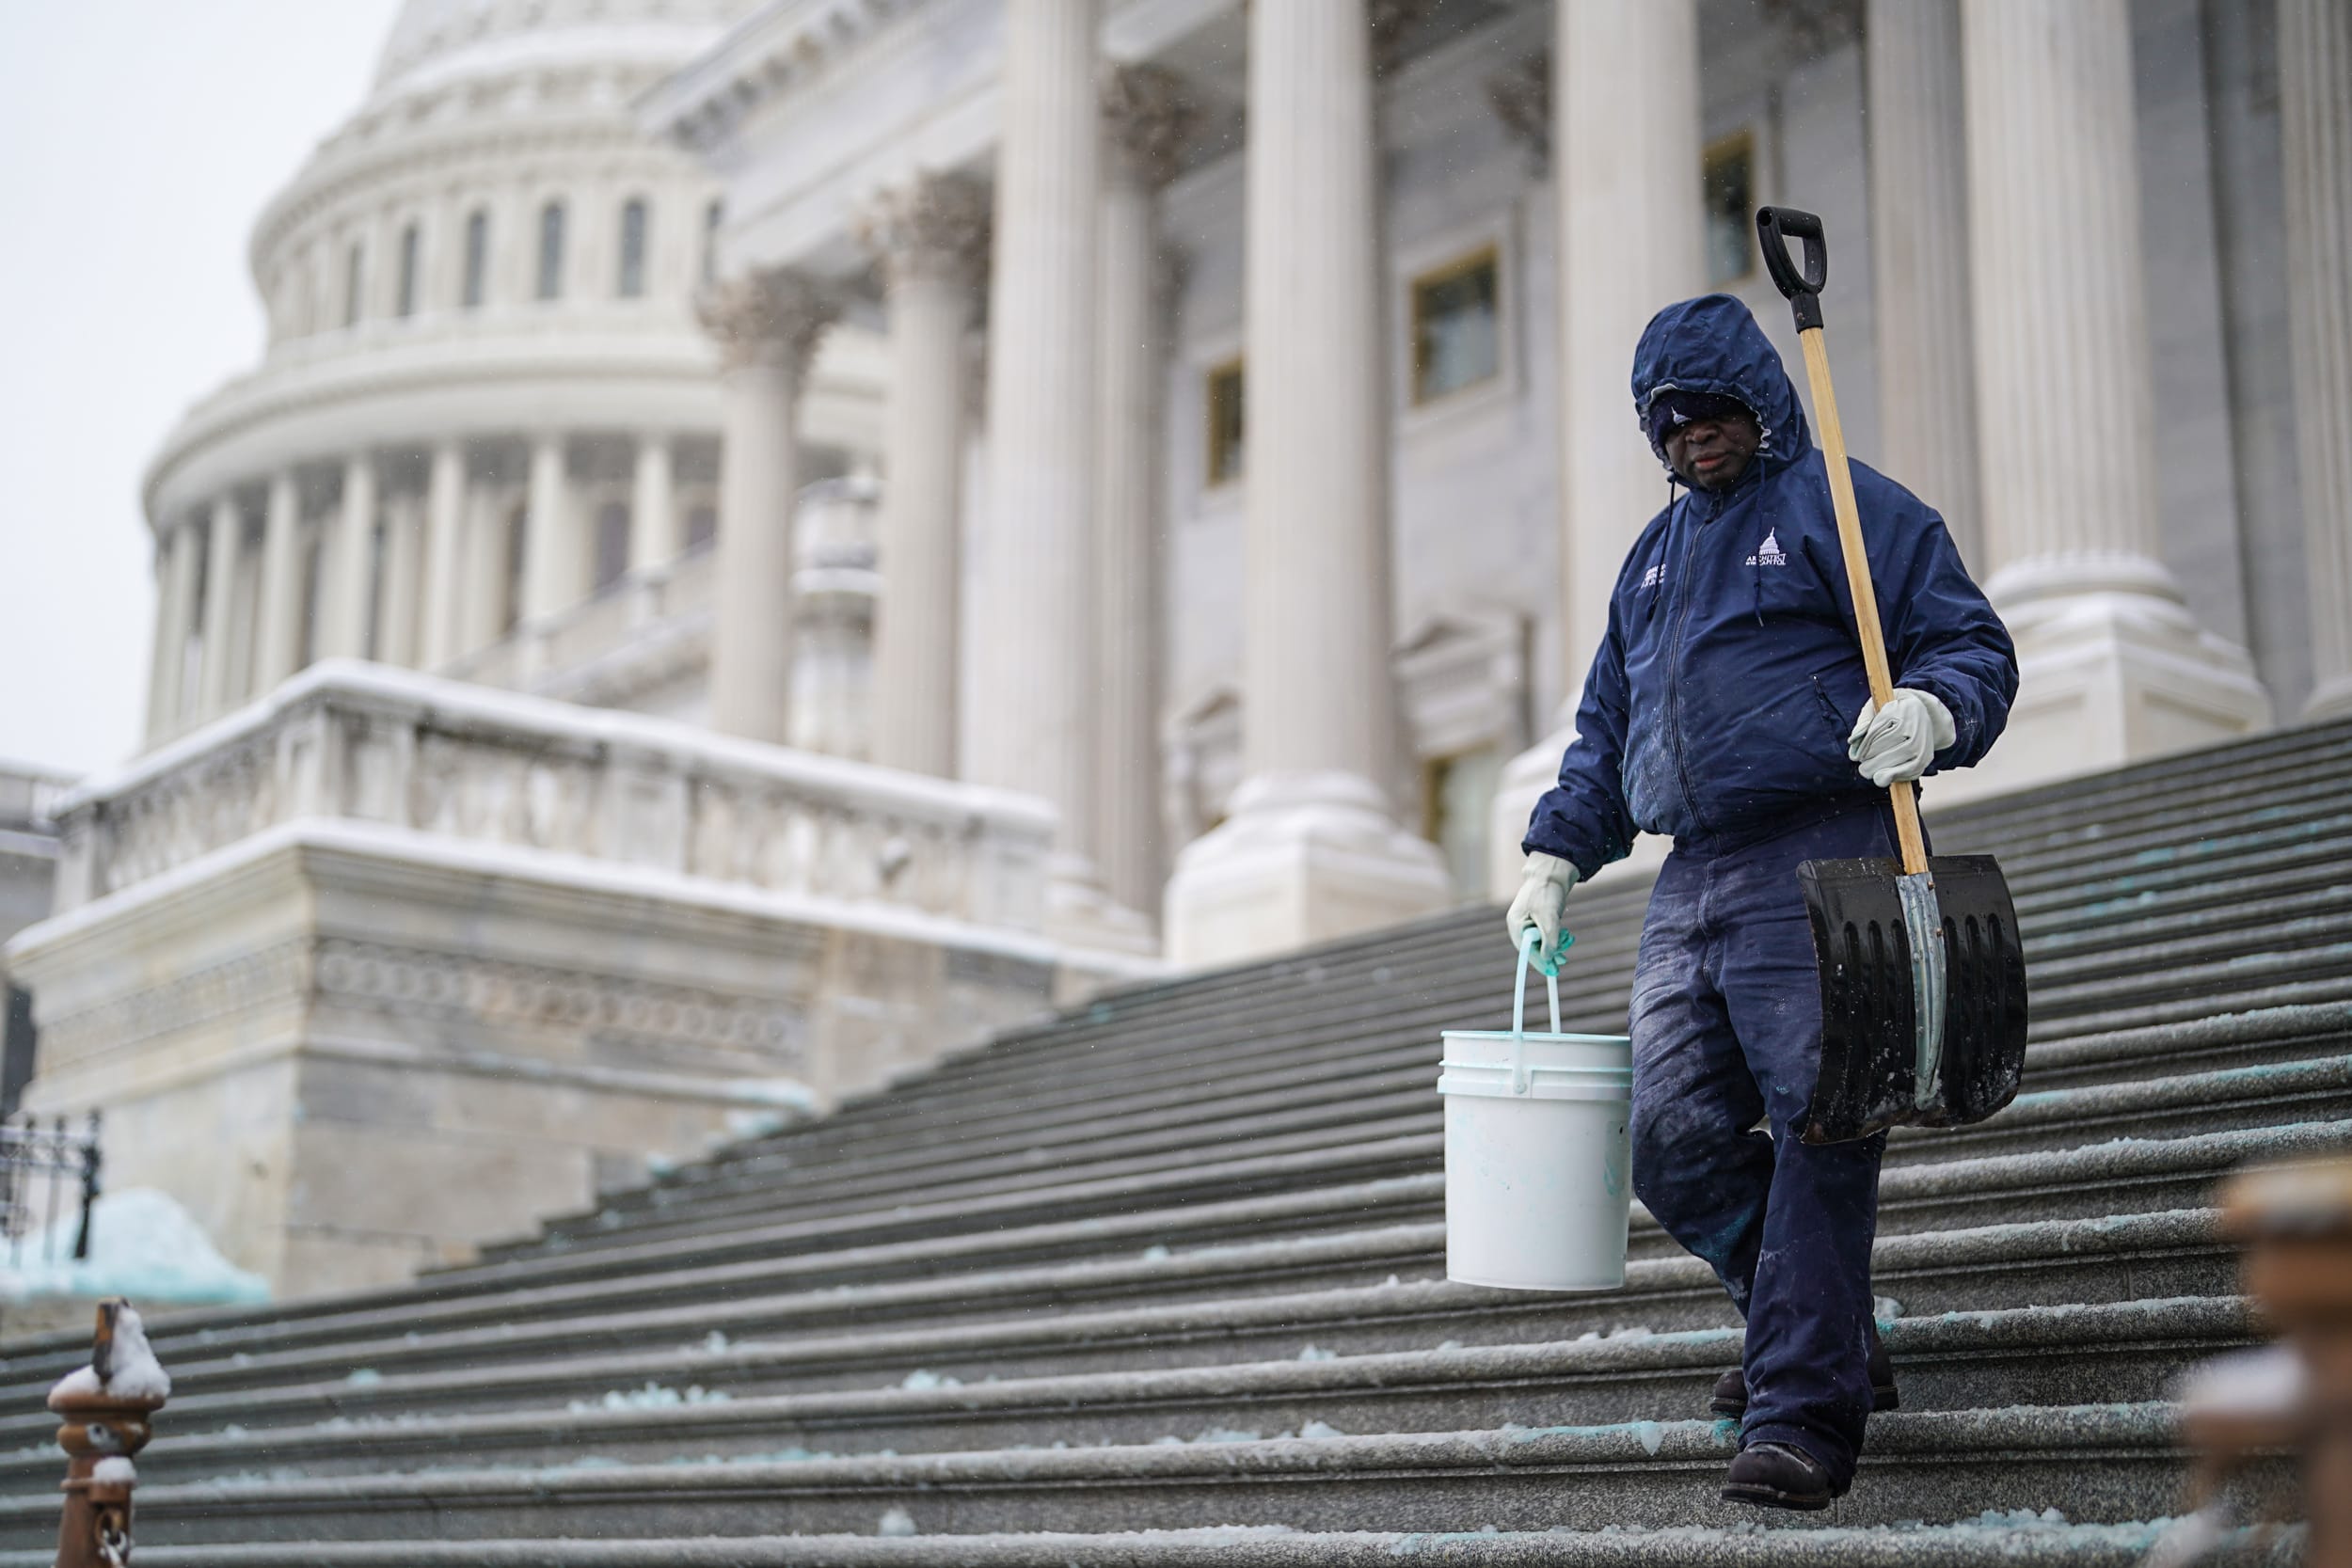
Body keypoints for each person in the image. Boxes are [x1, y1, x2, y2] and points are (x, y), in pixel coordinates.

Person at [1505, 293, 2017, 1511]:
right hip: (1693, 875)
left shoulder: (1846, 505)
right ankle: (1819, 1327)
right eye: (1669, 426)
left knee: (1824, 1125)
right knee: (1669, 1141)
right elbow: (1604, 736)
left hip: (1828, 848)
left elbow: (1974, 646)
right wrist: (1554, 854)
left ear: (1762, 401)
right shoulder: (1654, 560)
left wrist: (1934, 713)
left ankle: (1802, 1410)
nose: (1694, 440)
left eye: (1712, 414)